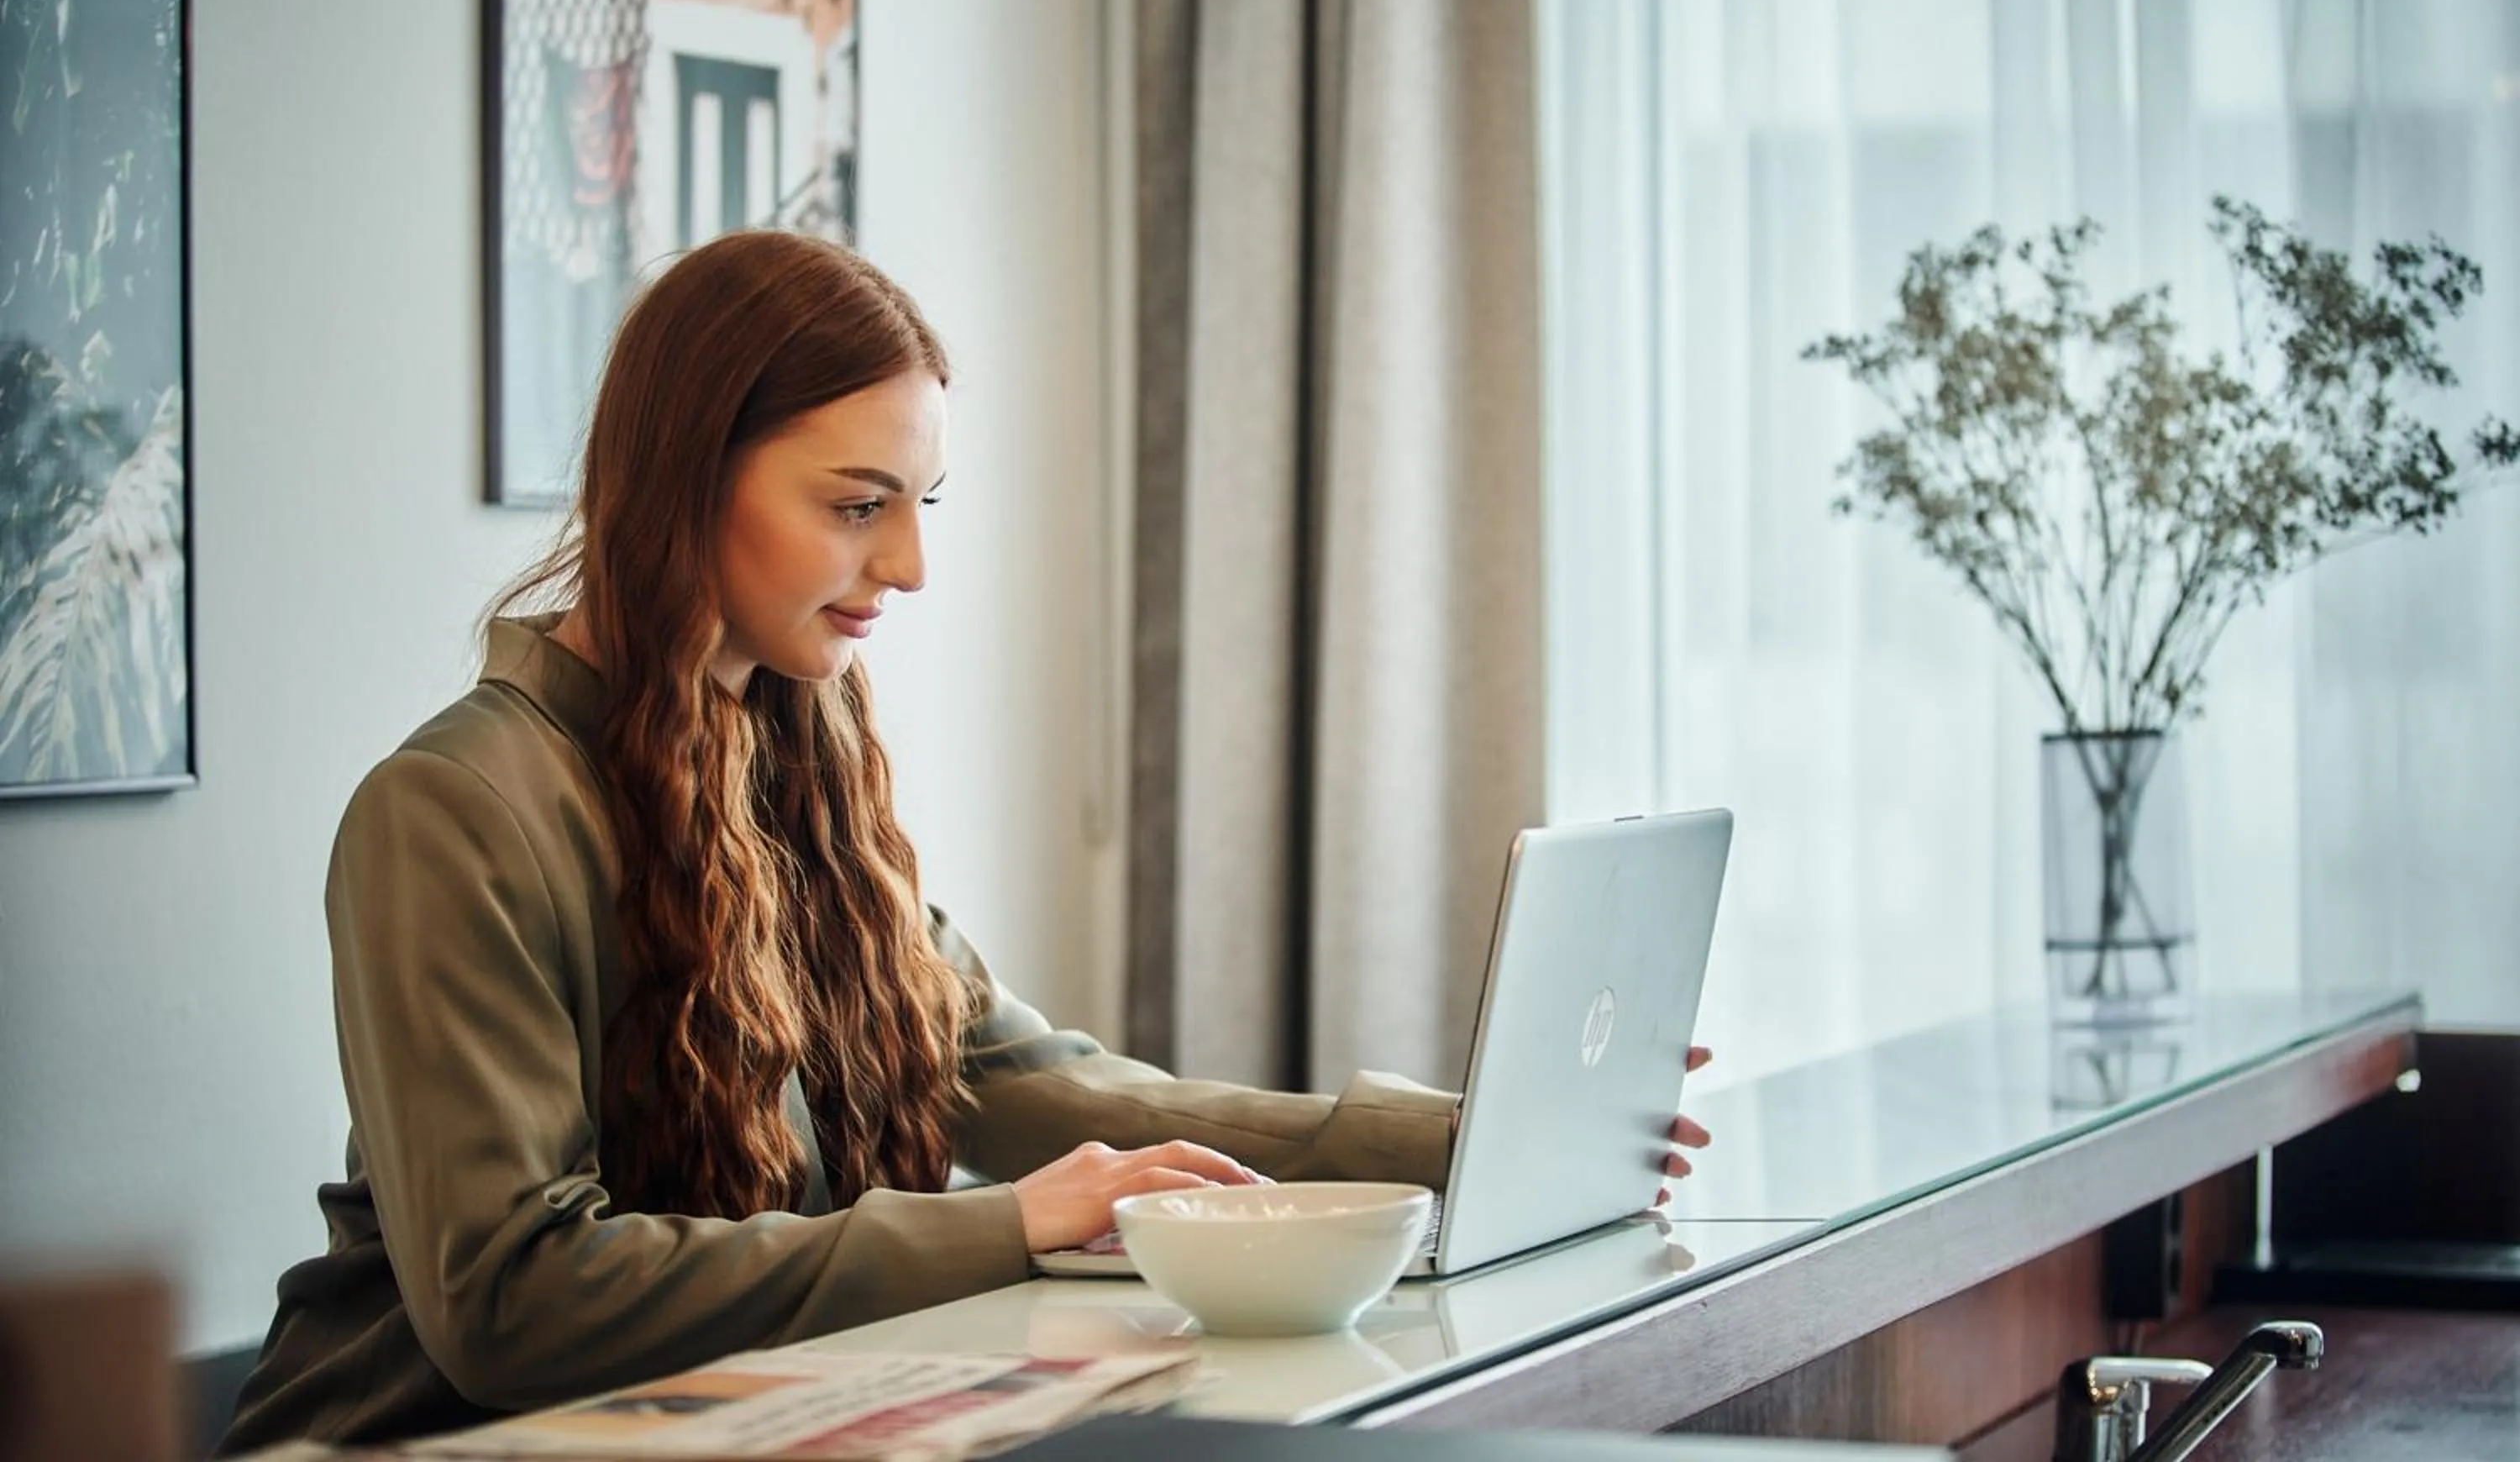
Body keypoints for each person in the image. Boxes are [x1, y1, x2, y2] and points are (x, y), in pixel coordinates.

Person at [218, 232, 1710, 1452]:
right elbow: (515, 1301)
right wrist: (1013, 1226)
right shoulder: (454, 815)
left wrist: (1463, 1139)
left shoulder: (798, 764)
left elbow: (1014, 1077)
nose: (911, 566)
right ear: (681, 481)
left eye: (920, 505)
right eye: (859, 506)